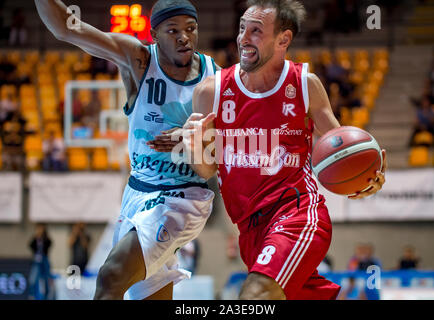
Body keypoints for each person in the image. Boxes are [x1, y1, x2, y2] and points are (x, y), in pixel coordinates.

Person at [153, 0, 387, 300]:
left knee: (253, 296)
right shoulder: (211, 91)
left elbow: (341, 148)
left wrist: (367, 176)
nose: (243, 38)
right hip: (250, 230)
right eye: (241, 29)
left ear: (283, 39)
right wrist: (194, 148)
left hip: (297, 212)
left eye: (255, 31)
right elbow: (208, 169)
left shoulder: (305, 85)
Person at [35, 0, 219, 300]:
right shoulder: (139, 60)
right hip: (136, 193)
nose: (184, 37)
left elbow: (209, 169)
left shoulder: (213, 79)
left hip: (182, 197)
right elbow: (65, 28)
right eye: (172, 30)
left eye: (191, 28)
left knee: (111, 277)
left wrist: (189, 139)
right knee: (146, 294)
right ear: (154, 34)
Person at [28, 223, 52, 300]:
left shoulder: (46, 239)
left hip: (44, 260)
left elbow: (49, 244)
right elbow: (30, 245)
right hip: (36, 261)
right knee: (33, 279)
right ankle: (32, 296)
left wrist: (43, 237)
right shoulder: (35, 239)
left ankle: (46, 297)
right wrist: (36, 237)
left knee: (46, 280)